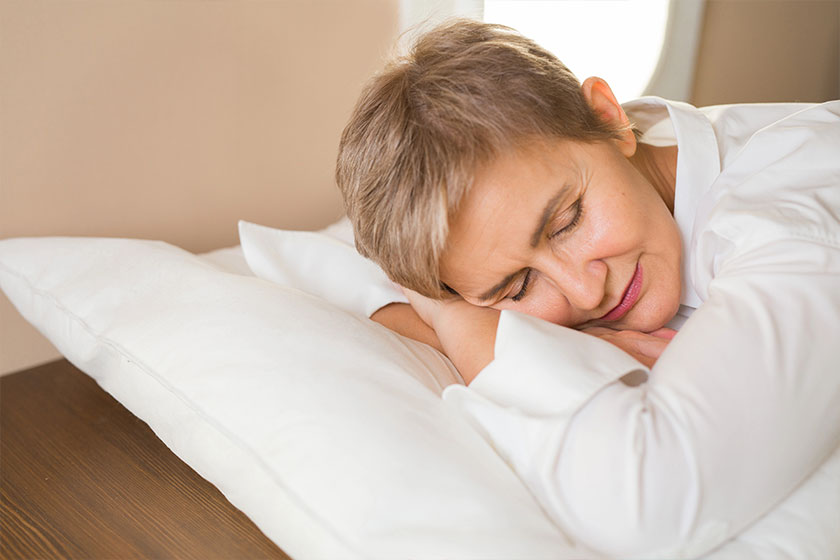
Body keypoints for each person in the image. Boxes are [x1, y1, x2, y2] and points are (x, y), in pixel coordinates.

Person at [336, 19, 840, 558]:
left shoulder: (790, 208)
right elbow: (338, 276)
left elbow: (648, 504)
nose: (583, 292)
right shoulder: (589, 173)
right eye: (518, 285)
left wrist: (458, 322)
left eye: (568, 221)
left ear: (608, 116)